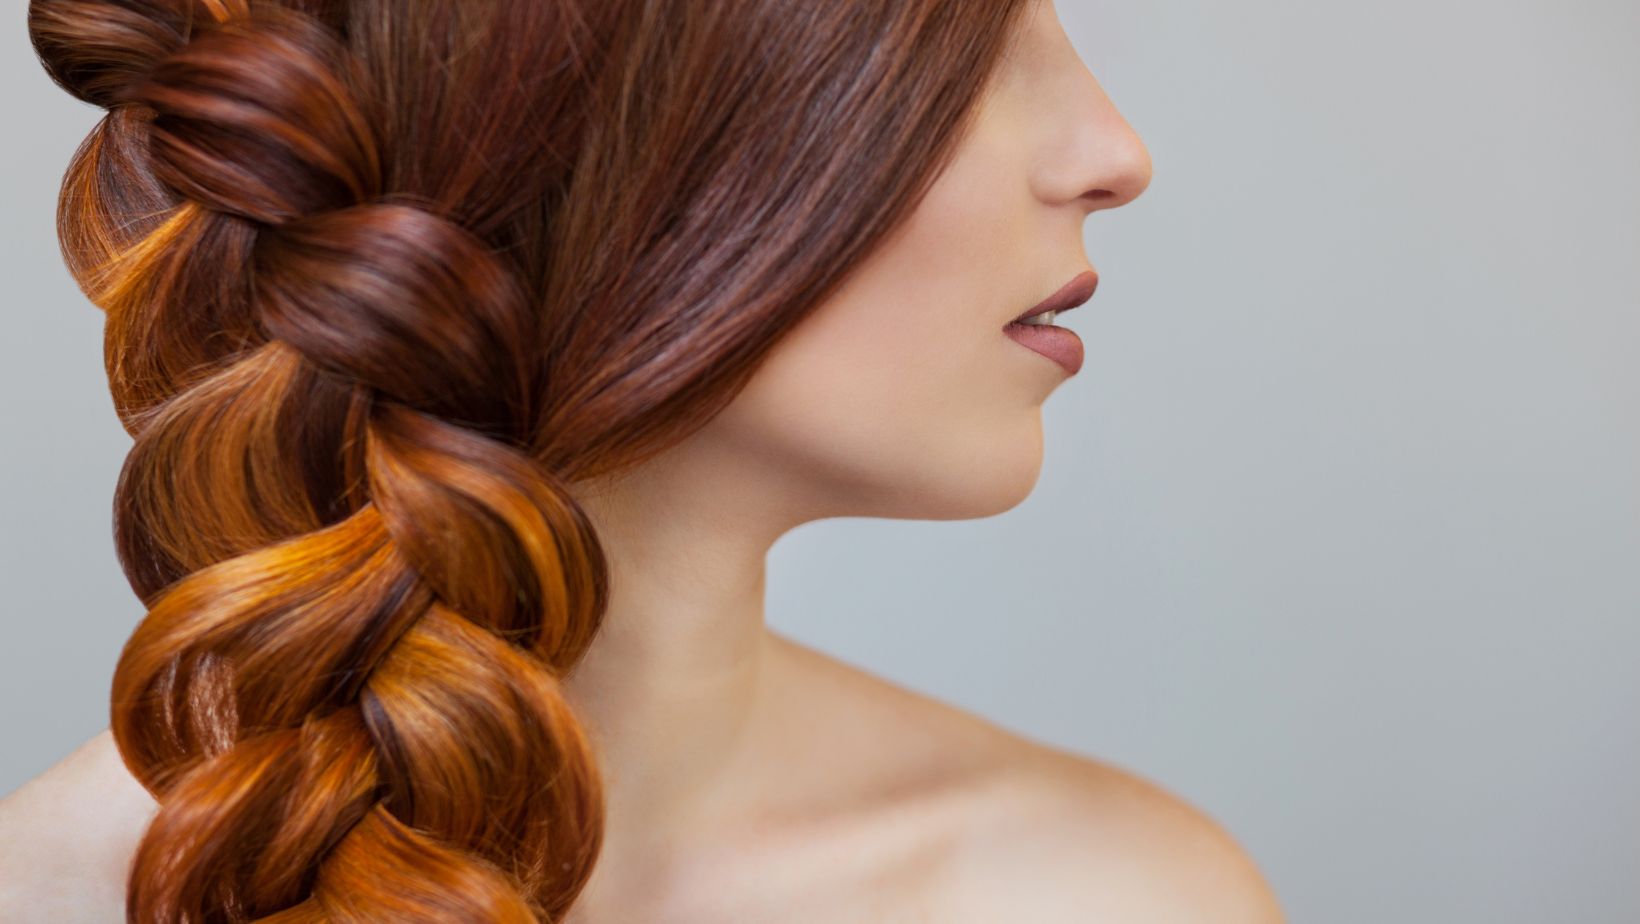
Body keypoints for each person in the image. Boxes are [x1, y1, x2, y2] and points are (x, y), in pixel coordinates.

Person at [1, 0, 1284, 920]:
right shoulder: (53, 894)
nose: (1114, 153)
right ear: (579, 126)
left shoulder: (1104, 896)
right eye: (966, 35)